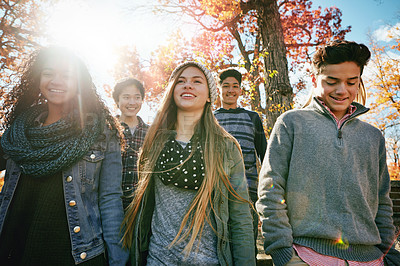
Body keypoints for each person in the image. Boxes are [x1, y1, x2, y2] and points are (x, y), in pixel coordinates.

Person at [256, 40, 400, 266]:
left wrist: (389, 255)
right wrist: (284, 254)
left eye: (351, 82)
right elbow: (270, 189)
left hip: (371, 259)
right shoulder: (291, 123)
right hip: (305, 255)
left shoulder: (374, 137)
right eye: (332, 81)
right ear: (315, 80)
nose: (342, 90)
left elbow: (382, 202)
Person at [0, 46, 128, 265]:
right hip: (13, 245)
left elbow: (109, 201)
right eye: (48, 73)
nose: (56, 81)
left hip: (75, 253)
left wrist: (118, 259)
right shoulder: (18, 130)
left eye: (66, 75)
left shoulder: (102, 133)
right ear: (37, 79)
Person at [122, 61, 255, 265]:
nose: (188, 85)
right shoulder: (154, 142)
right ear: (173, 91)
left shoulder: (226, 147)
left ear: (210, 94)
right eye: (181, 81)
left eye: (197, 81)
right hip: (158, 259)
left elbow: (240, 219)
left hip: (209, 261)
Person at [214, 68, 267, 254]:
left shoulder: (252, 118)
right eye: (226, 86)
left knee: (245, 244)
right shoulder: (210, 118)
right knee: (218, 244)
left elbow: (264, 154)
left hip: (248, 191)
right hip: (216, 191)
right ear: (219, 88)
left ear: (240, 90)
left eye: (235, 86)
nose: (230, 90)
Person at [112, 78, 149, 210]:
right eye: (126, 97)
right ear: (117, 100)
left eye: (137, 97)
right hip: (111, 204)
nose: (132, 102)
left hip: (141, 205)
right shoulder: (108, 129)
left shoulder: (151, 132)